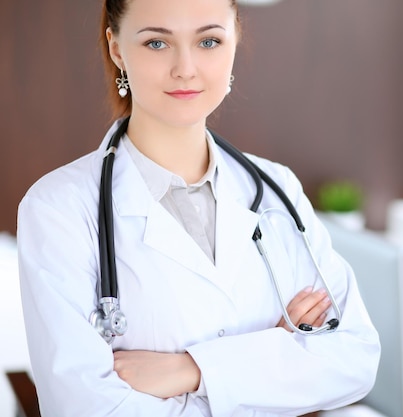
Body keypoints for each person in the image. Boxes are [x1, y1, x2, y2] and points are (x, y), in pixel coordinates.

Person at [16, 0, 380, 415]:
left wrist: (192, 370)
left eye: (208, 41)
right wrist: (275, 360)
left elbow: (355, 357)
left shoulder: (278, 190)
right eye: (157, 43)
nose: (185, 68)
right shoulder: (58, 210)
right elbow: (84, 408)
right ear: (117, 49)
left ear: (235, 42)